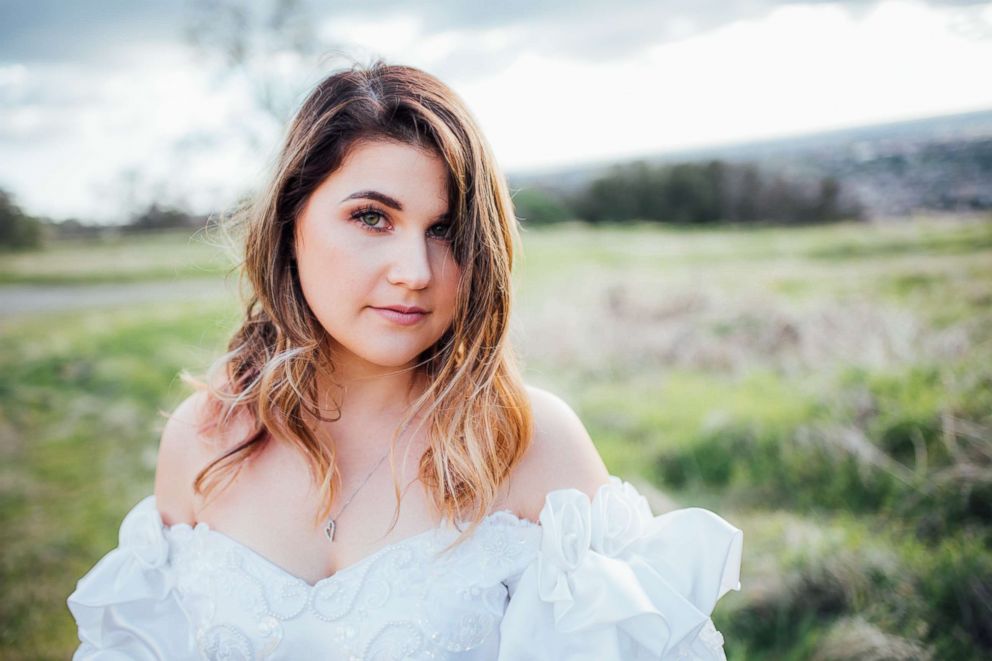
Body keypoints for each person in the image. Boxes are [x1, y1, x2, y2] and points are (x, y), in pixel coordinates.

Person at [66, 61, 743, 660]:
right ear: (291, 224)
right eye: (372, 217)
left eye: (446, 230)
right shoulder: (204, 439)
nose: (415, 271)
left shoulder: (530, 443)